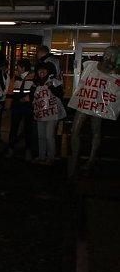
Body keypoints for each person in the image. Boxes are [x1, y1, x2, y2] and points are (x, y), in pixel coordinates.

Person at [68, 46, 119, 177]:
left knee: (96, 130)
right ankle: (74, 157)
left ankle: (91, 158)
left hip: (98, 105)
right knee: (75, 130)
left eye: (112, 55)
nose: (108, 56)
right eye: (107, 53)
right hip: (85, 101)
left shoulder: (115, 73)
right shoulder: (92, 66)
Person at [30, 61, 65, 165]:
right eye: (40, 69)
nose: (42, 71)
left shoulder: (54, 81)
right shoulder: (35, 83)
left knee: (49, 136)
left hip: (52, 114)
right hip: (40, 113)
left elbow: (60, 94)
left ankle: (51, 157)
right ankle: (42, 156)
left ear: (48, 71)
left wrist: (51, 86)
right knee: (41, 136)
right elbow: (32, 97)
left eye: (44, 69)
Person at [7, 58, 34, 159]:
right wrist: (8, 106)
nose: (16, 69)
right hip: (17, 106)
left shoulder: (33, 77)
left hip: (28, 107)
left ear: (23, 68)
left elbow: (34, 92)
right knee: (13, 129)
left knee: (28, 129)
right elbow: (10, 92)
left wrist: (27, 99)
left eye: (18, 67)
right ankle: (11, 148)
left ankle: (28, 150)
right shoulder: (16, 77)